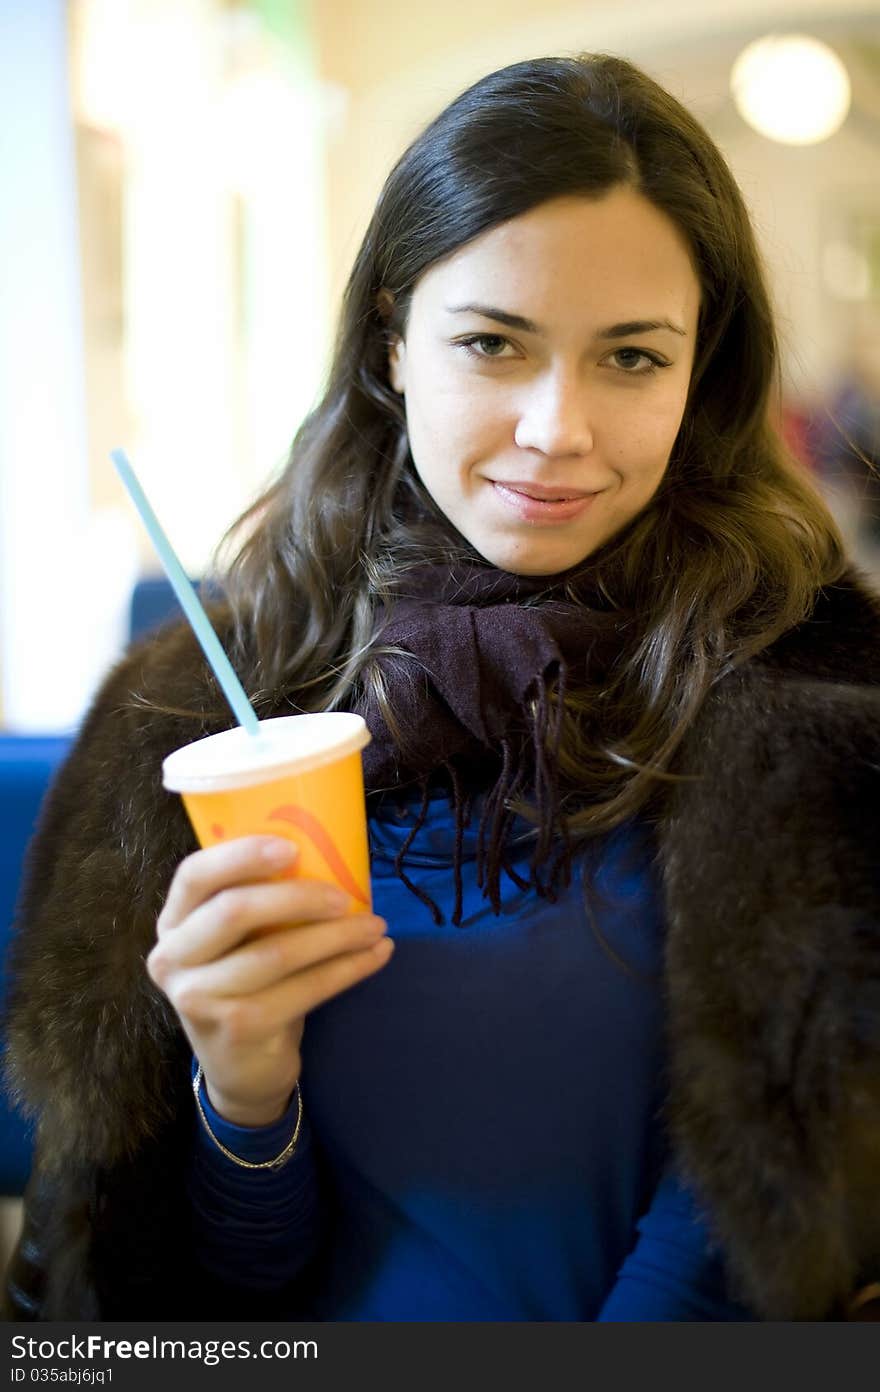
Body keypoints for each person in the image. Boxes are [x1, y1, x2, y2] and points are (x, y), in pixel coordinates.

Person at [3, 51, 880, 1324]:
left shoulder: (818, 706)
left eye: (631, 358)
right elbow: (176, 1297)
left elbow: (752, 1247)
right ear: (395, 343)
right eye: (491, 343)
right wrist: (242, 1092)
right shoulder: (198, 709)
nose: (554, 428)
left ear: (703, 377)